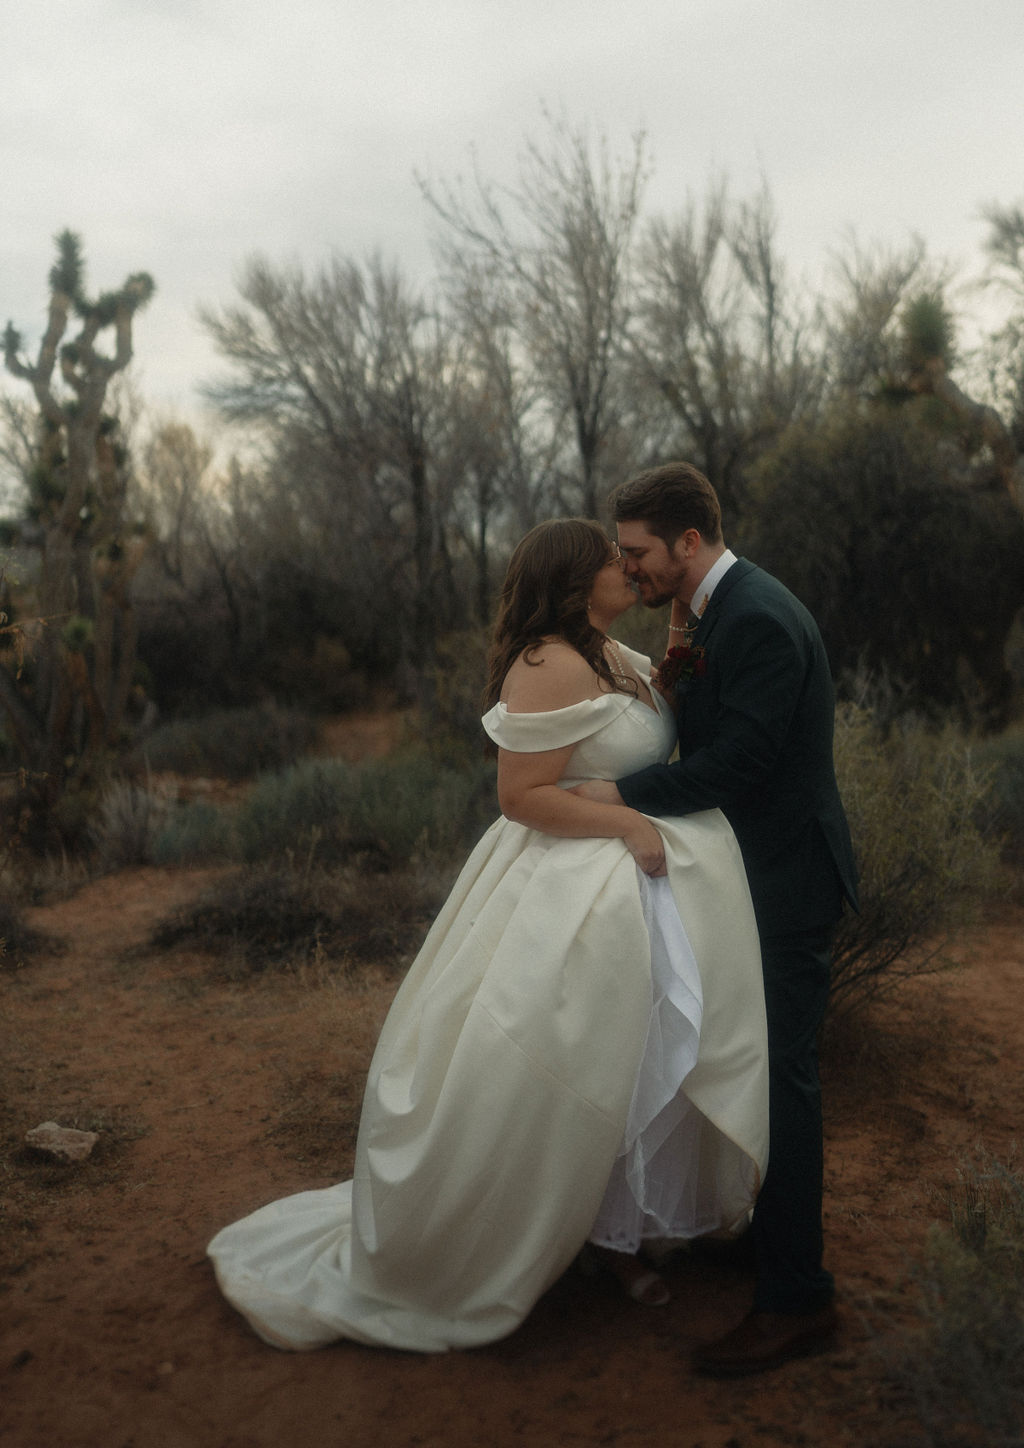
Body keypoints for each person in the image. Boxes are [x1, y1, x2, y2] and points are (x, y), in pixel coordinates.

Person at [206, 518, 769, 1353]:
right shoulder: (546, 662)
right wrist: (627, 831)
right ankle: (539, 1239)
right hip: (567, 885)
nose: (627, 568)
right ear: (577, 580)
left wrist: (683, 628)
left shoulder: (613, 650)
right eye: (613, 560)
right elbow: (521, 795)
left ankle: (616, 1232)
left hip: (635, 901)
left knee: (635, 1061)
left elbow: (656, 722)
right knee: (559, 1067)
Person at [575, 463, 858, 1377]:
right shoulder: (711, 613)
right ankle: (760, 1240)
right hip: (745, 879)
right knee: (745, 1058)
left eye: (641, 551)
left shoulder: (762, 620)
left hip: (786, 881)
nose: (632, 565)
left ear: (688, 542)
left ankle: (796, 1298)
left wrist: (619, 791)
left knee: (786, 1079)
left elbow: (738, 764)